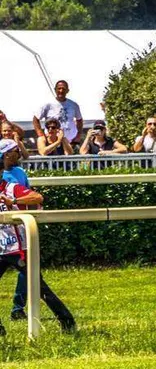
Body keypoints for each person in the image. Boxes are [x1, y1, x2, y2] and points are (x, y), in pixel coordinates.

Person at [0, 158, 76, 335]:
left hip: (20, 250)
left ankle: (67, 321)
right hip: (2, 250)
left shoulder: (12, 188)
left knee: (39, 288)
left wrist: (13, 201)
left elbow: (38, 197)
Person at [0, 139, 30, 320]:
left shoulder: (19, 171)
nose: (19, 153)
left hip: (20, 229)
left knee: (27, 271)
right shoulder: (3, 176)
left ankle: (18, 308)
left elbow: (27, 193)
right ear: (6, 155)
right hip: (5, 232)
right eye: (15, 150)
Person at [33, 80, 83, 145]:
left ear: (67, 90)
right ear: (55, 89)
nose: (61, 91)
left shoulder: (73, 105)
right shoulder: (47, 104)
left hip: (70, 141)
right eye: (59, 88)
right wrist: (41, 135)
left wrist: (78, 135)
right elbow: (35, 119)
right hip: (52, 142)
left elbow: (79, 120)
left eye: (63, 89)